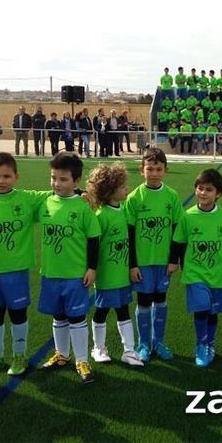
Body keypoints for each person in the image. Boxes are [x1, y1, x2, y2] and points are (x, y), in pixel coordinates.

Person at [0, 153, 49, 376]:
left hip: (16, 271)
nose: (1, 181)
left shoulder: (27, 199)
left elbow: (55, 194)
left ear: (16, 177)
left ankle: (19, 355)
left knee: (17, 314)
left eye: (6, 176)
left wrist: (79, 193)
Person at [36, 152, 100, 383]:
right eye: (53, 178)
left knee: (77, 317)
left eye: (63, 179)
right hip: (51, 273)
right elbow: (17, 198)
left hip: (75, 274)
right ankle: (61, 355)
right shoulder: (44, 201)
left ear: (75, 181)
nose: (57, 184)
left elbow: (94, 239)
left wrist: (92, 268)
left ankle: (82, 360)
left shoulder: (83, 207)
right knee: (59, 315)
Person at [123, 148, 184, 362]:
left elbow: (178, 231)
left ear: (165, 170)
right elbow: (128, 234)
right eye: (150, 169)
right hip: (143, 263)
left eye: (159, 169)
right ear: (142, 170)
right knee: (144, 302)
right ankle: (144, 344)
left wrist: (174, 259)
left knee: (161, 301)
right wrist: (132, 265)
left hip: (163, 263)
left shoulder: (172, 196)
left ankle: (158, 341)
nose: (154, 173)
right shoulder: (134, 198)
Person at [168, 169, 222, 367]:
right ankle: (201, 344)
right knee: (202, 308)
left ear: (218, 194)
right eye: (200, 188)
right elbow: (178, 241)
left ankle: (210, 343)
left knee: (213, 312)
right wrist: (173, 262)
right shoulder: (188, 216)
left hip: (217, 273)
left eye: (209, 190)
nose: (203, 193)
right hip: (194, 272)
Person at [84, 163, 144, 368]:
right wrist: (91, 269)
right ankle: (98, 348)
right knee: (101, 311)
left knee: (123, 310)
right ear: (110, 191)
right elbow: (91, 245)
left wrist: (132, 267)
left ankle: (129, 350)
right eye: (122, 186)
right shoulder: (101, 216)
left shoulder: (124, 211)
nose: (126, 189)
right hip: (106, 276)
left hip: (122, 275)